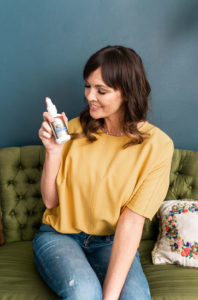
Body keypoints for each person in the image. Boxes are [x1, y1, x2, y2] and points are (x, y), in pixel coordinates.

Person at [32, 45, 174, 300]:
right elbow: (50, 202)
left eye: (101, 90)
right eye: (88, 86)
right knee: (84, 293)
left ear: (128, 94)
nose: (89, 96)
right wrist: (53, 151)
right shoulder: (71, 130)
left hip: (111, 242)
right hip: (60, 235)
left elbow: (131, 223)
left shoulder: (158, 146)